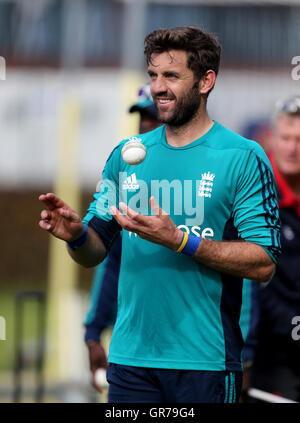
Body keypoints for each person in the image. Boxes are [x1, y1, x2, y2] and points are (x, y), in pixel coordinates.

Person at [38, 26, 281, 403]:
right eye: (153, 75)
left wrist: (181, 241)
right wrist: (76, 235)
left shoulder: (243, 158)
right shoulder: (126, 155)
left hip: (205, 363)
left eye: (171, 76)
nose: (158, 87)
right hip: (130, 363)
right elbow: (95, 251)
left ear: (206, 81)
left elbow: (263, 261)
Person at [84, 85, 160, 393]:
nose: (145, 125)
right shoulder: (128, 182)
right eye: (142, 116)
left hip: (197, 356)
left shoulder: (205, 176)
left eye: (153, 117)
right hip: (133, 352)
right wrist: (93, 331)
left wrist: (244, 352)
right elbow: (112, 264)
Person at [243, 95, 300, 402]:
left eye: (299, 140)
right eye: (285, 138)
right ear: (272, 139)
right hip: (267, 356)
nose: (291, 148)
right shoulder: (256, 198)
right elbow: (252, 286)